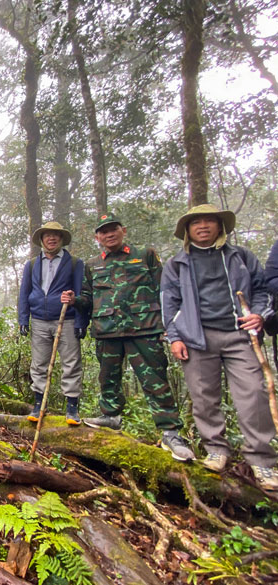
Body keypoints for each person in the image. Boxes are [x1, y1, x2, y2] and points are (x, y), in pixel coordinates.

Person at [161, 204, 277, 490]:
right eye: (196, 223)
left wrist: (259, 315)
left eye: (209, 221)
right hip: (197, 337)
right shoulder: (177, 264)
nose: (202, 226)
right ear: (187, 230)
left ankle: (261, 460)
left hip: (241, 335)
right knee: (203, 396)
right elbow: (168, 303)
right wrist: (174, 337)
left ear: (220, 226)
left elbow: (262, 290)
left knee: (253, 394)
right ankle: (216, 449)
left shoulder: (241, 257)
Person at [61, 213, 195, 462]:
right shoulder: (93, 264)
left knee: (154, 380)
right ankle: (110, 416)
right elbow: (89, 299)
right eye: (103, 231)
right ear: (97, 237)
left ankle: (170, 431)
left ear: (123, 230)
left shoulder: (145, 255)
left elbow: (164, 291)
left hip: (144, 328)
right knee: (108, 378)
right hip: (107, 330)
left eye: (113, 229)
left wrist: (170, 326)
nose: (109, 234)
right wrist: (74, 300)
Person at [19, 222, 87, 425]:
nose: (51, 238)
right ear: (41, 239)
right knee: (38, 364)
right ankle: (39, 404)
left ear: (61, 239)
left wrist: (81, 321)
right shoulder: (32, 264)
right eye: (47, 235)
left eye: (56, 235)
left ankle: (72, 407)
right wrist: (23, 318)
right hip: (39, 320)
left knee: (71, 363)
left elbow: (81, 294)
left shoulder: (74, 263)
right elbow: (24, 293)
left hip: (66, 319)